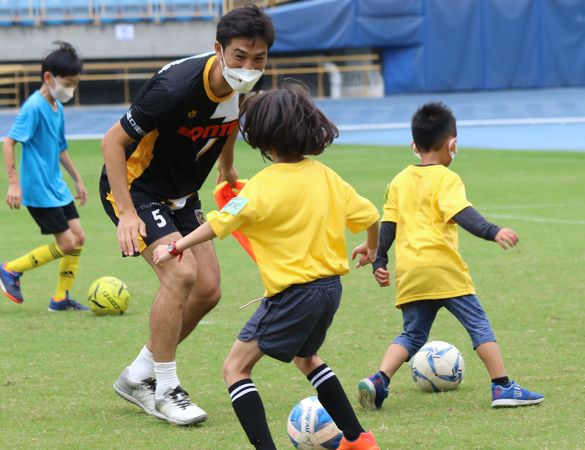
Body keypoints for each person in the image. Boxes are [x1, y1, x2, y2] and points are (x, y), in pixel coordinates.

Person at [152, 84, 381, 450]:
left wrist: (175, 245)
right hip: (329, 291)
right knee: (306, 358)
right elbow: (371, 216)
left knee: (235, 369)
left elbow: (218, 223)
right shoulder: (325, 175)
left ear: (261, 137)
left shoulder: (260, 187)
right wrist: (370, 249)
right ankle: (358, 440)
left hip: (293, 295)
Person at [100, 5, 275, 426]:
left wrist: (226, 167)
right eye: (239, 56)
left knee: (208, 290)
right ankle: (164, 389)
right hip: (137, 188)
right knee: (180, 275)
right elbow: (112, 142)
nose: (249, 67)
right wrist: (126, 213)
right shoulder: (175, 89)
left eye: (259, 59)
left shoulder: (242, 84)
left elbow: (229, 121)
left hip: (183, 192)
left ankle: (138, 374)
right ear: (218, 49)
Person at [357, 102, 544, 411]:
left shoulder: (399, 180)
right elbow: (463, 214)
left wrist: (380, 262)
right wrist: (492, 231)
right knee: (479, 326)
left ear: (413, 146)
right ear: (452, 144)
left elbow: (388, 225)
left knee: (412, 334)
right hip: (445, 270)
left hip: (411, 273)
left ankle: (379, 380)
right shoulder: (447, 179)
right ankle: (502, 387)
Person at [1, 41, 88, 312]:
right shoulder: (33, 108)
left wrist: (77, 179)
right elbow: (8, 142)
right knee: (66, 243)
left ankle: (60, 298)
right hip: (38, 188)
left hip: (57, 187)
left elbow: (60, 147)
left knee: (79, 238)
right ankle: (10, 270)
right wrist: (14, 183)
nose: (70, 89)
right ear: (48, 77)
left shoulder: (57, 108)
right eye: (67, 82)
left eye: (74, 83)